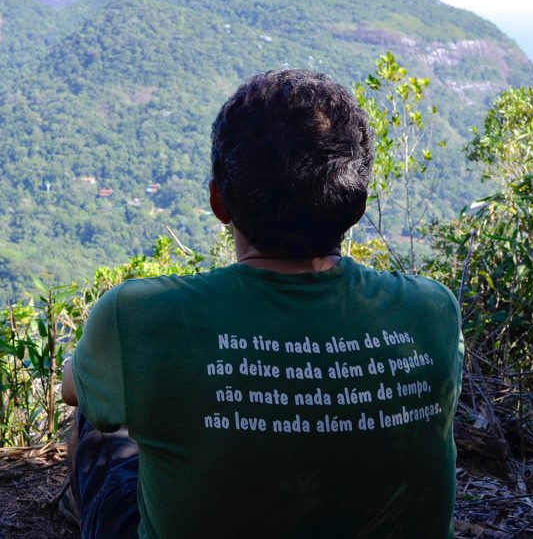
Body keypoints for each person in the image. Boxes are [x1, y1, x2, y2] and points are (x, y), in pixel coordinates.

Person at [61, 68, 463, 538]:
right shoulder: (432, 312)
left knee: (100, 421)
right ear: (357, 206)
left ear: (218, 201)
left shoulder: (139, 316)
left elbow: (74, 388)